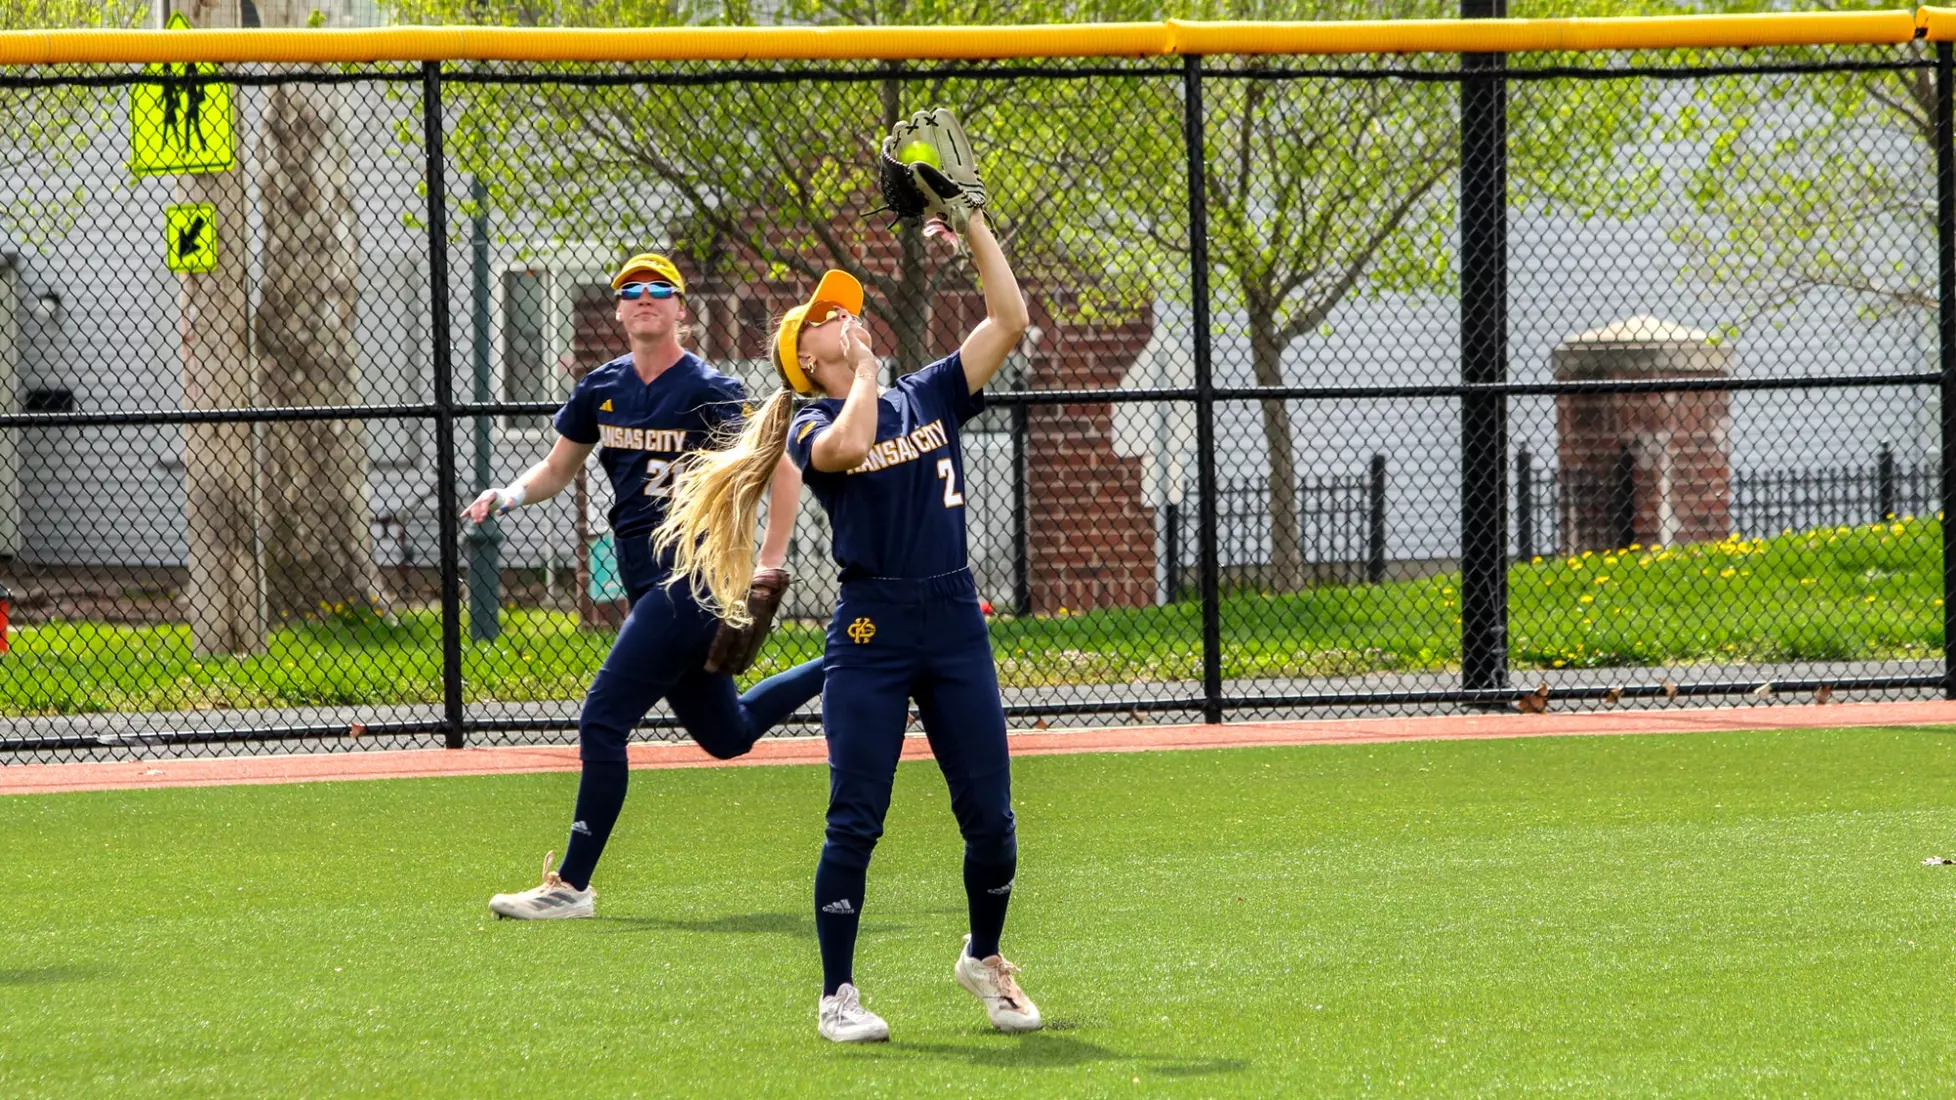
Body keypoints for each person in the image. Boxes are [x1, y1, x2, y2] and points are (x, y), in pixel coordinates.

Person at [656, 208, 1039, 1043]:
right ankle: (838, 994)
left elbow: (1009, 320)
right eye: (830, 319)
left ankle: (984, 956)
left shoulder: (929, 391)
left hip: (953, 619)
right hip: (873, 631)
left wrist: (972, 223)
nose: (847, 317)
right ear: (810, 359)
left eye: (846, 312)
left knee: (993, 821)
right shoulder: (810, 421)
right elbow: (852, 443)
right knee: (856, 816)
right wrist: (863, 369)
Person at [463, 251, 825, 920]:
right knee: (730, 734)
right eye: (631, 290)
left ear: (682, 310)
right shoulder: (603, 386)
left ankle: (570, 886)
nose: (645, 298)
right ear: (621, 310)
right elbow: (555, 469)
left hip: (691, 580)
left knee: (601, 719)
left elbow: (780, 468)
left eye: (661, 289)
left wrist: (771, 560)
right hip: (645, 581)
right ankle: (846, 658)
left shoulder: (708, 389)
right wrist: (505, 495)